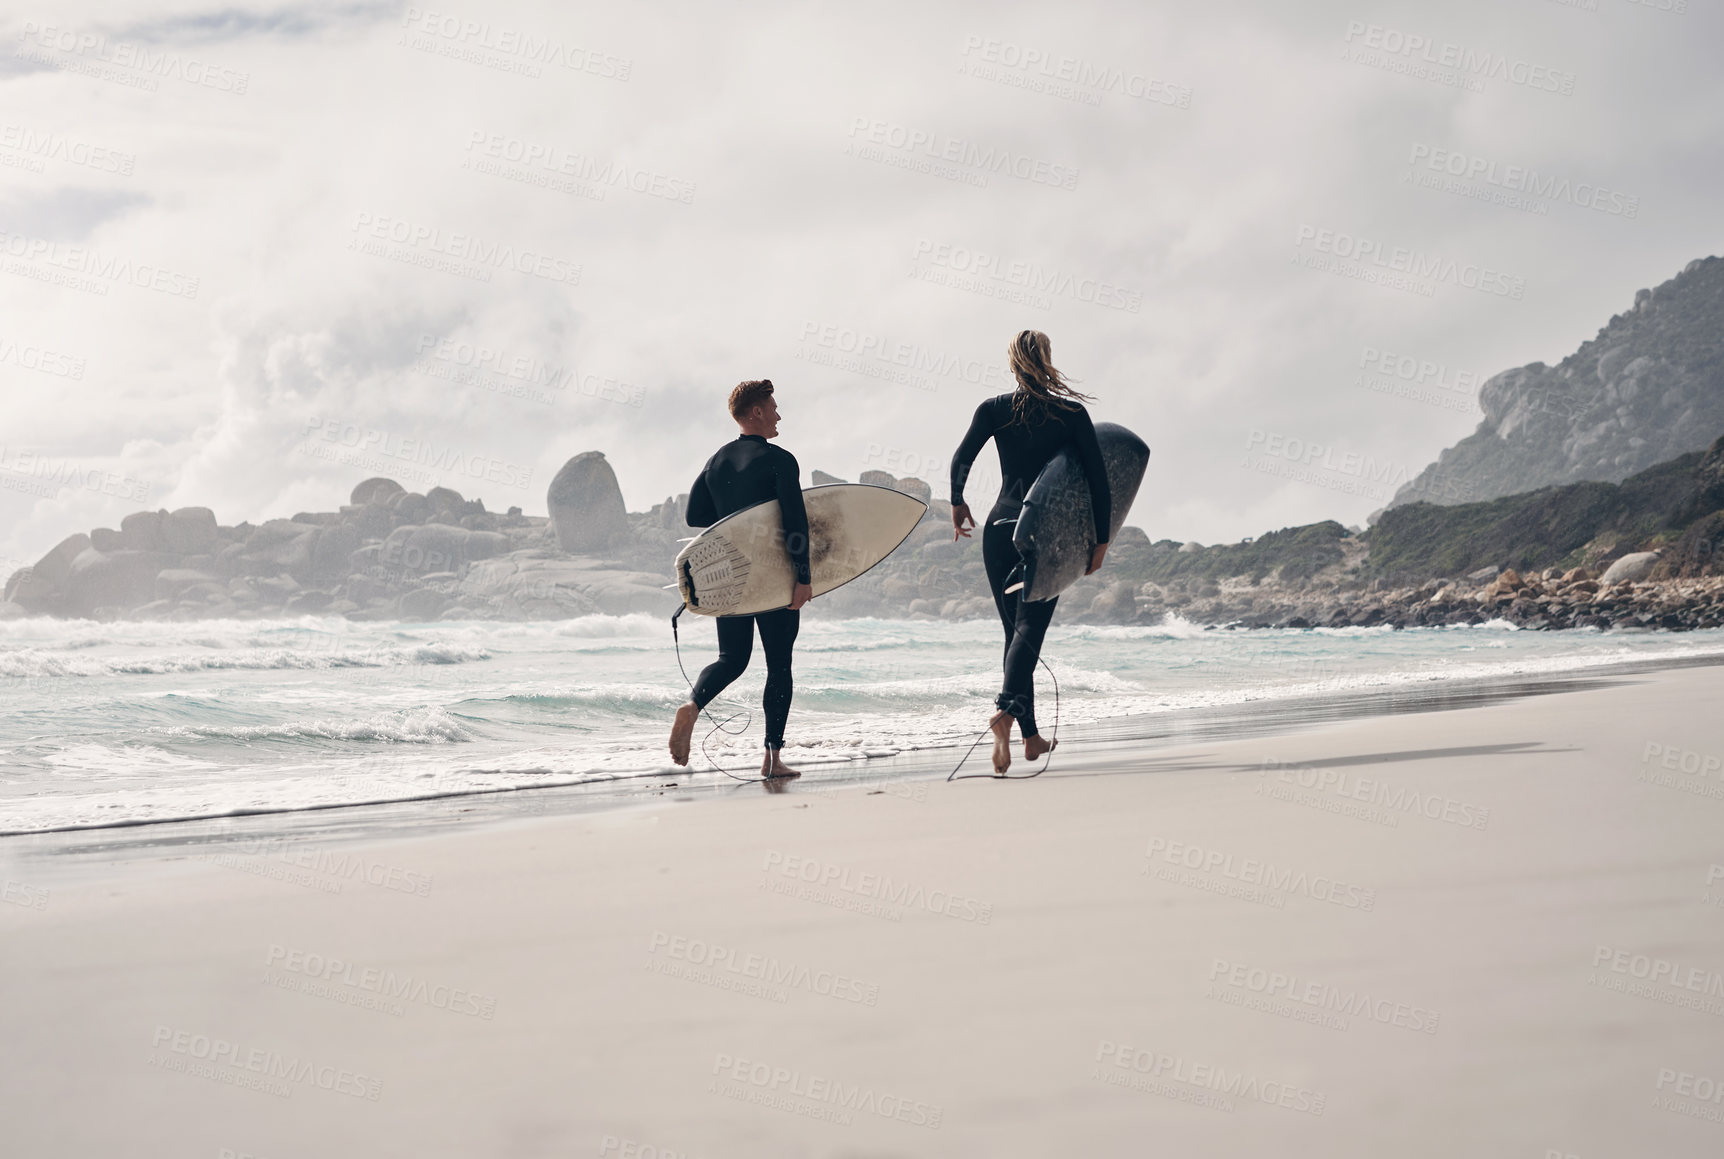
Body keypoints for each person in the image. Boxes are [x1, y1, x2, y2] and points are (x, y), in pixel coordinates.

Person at [950, 330, 1111, 775]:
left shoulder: (993, 410)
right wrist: (1100, 540)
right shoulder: (1071, 414)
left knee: (1014, 633)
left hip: (1000, 528)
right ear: (1047, 359)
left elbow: (960, 458)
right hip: (1044, 532)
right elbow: (1098, 481)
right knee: (1029, 629)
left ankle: (1030, 736)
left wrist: (958, 501)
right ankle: (1004, 712)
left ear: (1013, 364)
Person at [669, 379, 812, 778]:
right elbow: (795, 522)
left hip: (731, 574)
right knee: (779, 664)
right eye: (774, 407)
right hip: (773, 574)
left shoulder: (716, 461)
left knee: (732, 659)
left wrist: (738, 521)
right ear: (757, 413)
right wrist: (803, 577)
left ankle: (693, 706)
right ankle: (772, 758)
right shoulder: (781, 460)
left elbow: (695, 516)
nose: (779, 415)